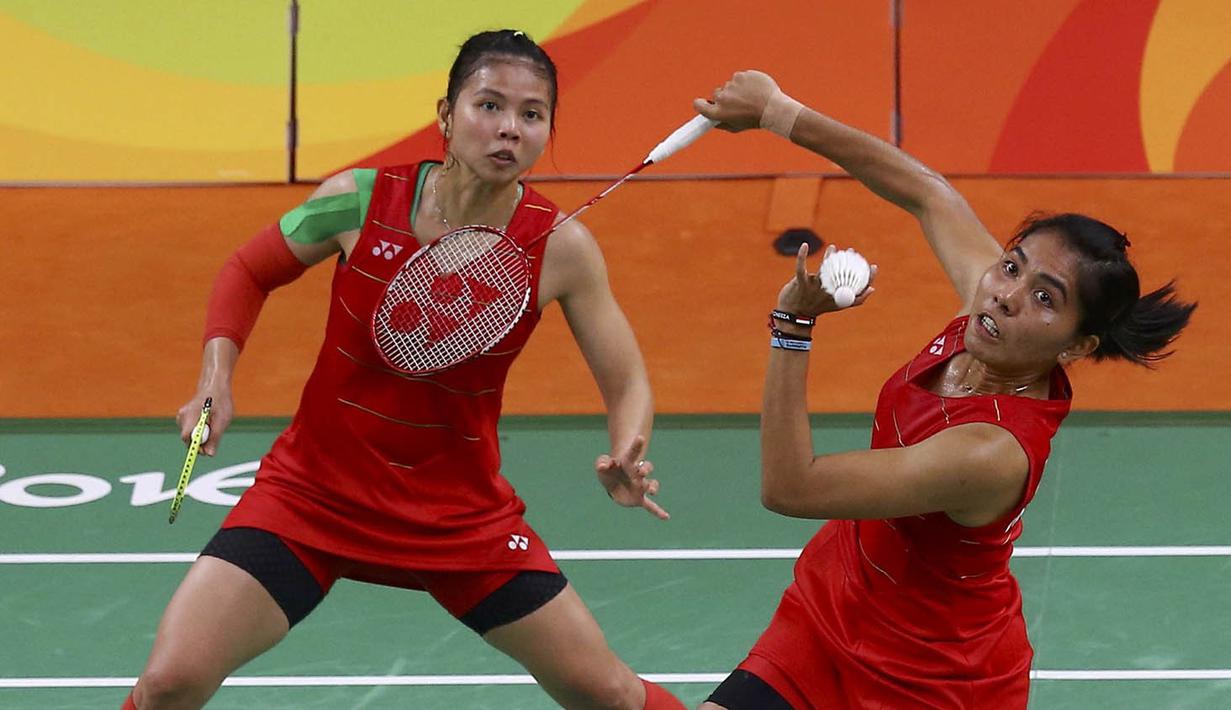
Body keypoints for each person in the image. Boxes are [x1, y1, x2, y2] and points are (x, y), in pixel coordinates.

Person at [124, 30, 685, 710]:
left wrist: (628, 444)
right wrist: (216, 375)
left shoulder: (559, 246)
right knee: (167, 685)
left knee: (610, 695)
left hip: (457, 517)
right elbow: (249, 269)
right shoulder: (359, 200)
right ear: (446, 117)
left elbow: (625, 378)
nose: (509, 129)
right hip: (312, 496)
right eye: (489, 106)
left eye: (531, 115)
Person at [692, 71, 1196, 709]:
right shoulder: (987, 314)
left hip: (928, 679)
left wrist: (793, 326)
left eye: (1045, 297)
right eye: (1012, 265)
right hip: (829, 619)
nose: (1006, 293)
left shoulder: (989, 450)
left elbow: (789, 487)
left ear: (1075, 346)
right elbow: (928, 193)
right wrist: (779, 112)